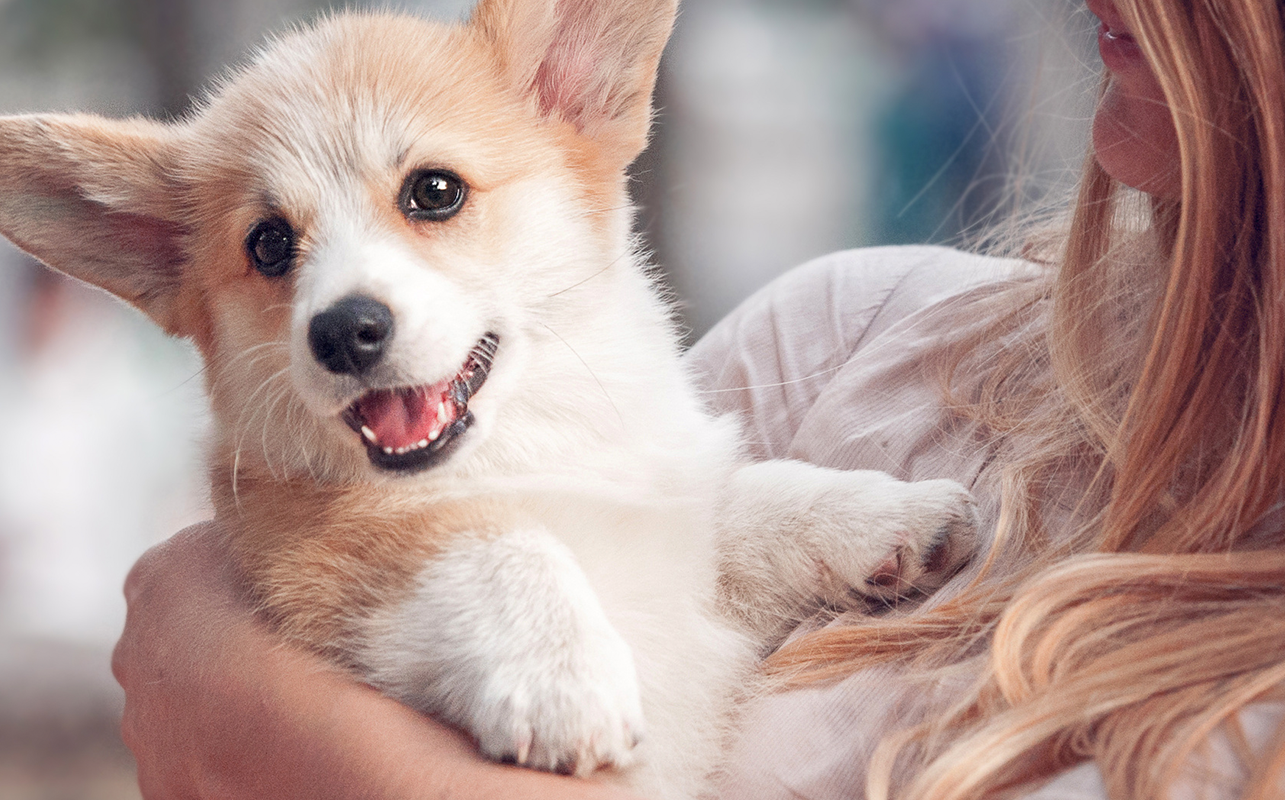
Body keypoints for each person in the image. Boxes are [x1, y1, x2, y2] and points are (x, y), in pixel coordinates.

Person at [110, 0, 1285, 797]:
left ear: (579, 92)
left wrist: (272, 724)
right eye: (272, 244)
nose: (348, 302)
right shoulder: (846, 347)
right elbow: (661, 541)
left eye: (432, 192)